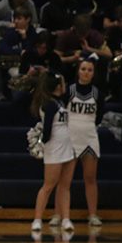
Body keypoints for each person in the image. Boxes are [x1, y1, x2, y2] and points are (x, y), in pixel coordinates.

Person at [31, 72, 75, 232]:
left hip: (68, 146)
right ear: (57, 86)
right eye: (63, 83)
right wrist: (42, 145)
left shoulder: (60, 102)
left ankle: (66, 219)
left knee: (65, 186)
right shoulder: (49, 104)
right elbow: (47, 129)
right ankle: (37, 219)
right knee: (49, 185)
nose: (65, 85)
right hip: (54, 147)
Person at [66, 58, 103, 227]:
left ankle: (93, 215)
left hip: (89, 136)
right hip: (70, 137)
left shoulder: (97, 93)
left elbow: (100, 116)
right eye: (83, 69)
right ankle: (60, 215)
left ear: (93, 73)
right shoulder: (69, 90)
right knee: (65, 180)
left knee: (90, 178)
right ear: (78, 71)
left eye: (89, 70)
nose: (86, 72)